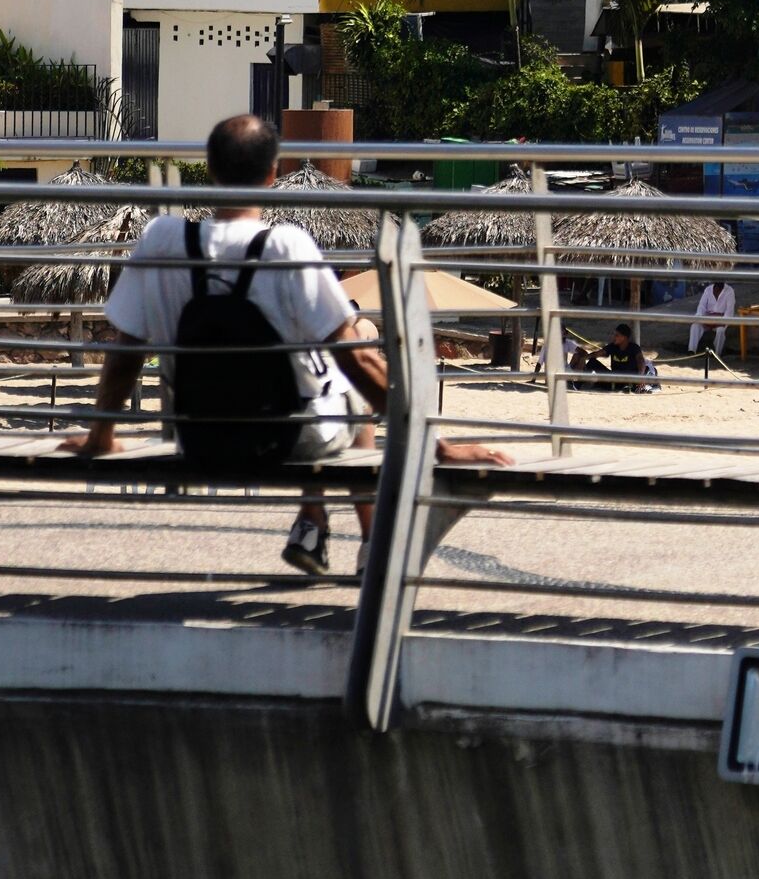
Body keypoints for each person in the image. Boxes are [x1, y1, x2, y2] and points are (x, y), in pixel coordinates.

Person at [65, 109, 499, 579]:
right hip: (281, 441)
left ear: (209, 170)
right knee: (353, 370)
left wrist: (101, 437)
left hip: (198, 439)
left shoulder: (162, 239)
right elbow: (356, 363)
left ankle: (313, 523)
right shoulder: (285, 246)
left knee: (328, 377)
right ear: (273, 174)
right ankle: (369, 539)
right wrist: (438, 447)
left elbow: (126, 351)